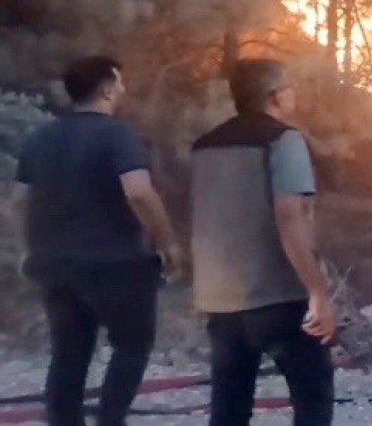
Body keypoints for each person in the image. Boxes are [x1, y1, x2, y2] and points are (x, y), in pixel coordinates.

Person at [11, 55, 183, 426]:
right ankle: (110, 419)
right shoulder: (117, 134)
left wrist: (31, 247)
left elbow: (18, 201)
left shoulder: (42, 136)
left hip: (53, 265)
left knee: (68, 353)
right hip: (117, 263)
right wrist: (167, 242)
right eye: (119, 82)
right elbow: (139, 192)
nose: (123, 89)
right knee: (132, 346)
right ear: (106, 88)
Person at [190, 59, 335, 426]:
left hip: (219, 298)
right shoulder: (283, 140)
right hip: (276, 296)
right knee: (312, 396)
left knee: (230, 405)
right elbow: (291, 218)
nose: (293, 92)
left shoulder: (204, 147)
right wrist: (317, 291)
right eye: (289, 87)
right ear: (275, 97)